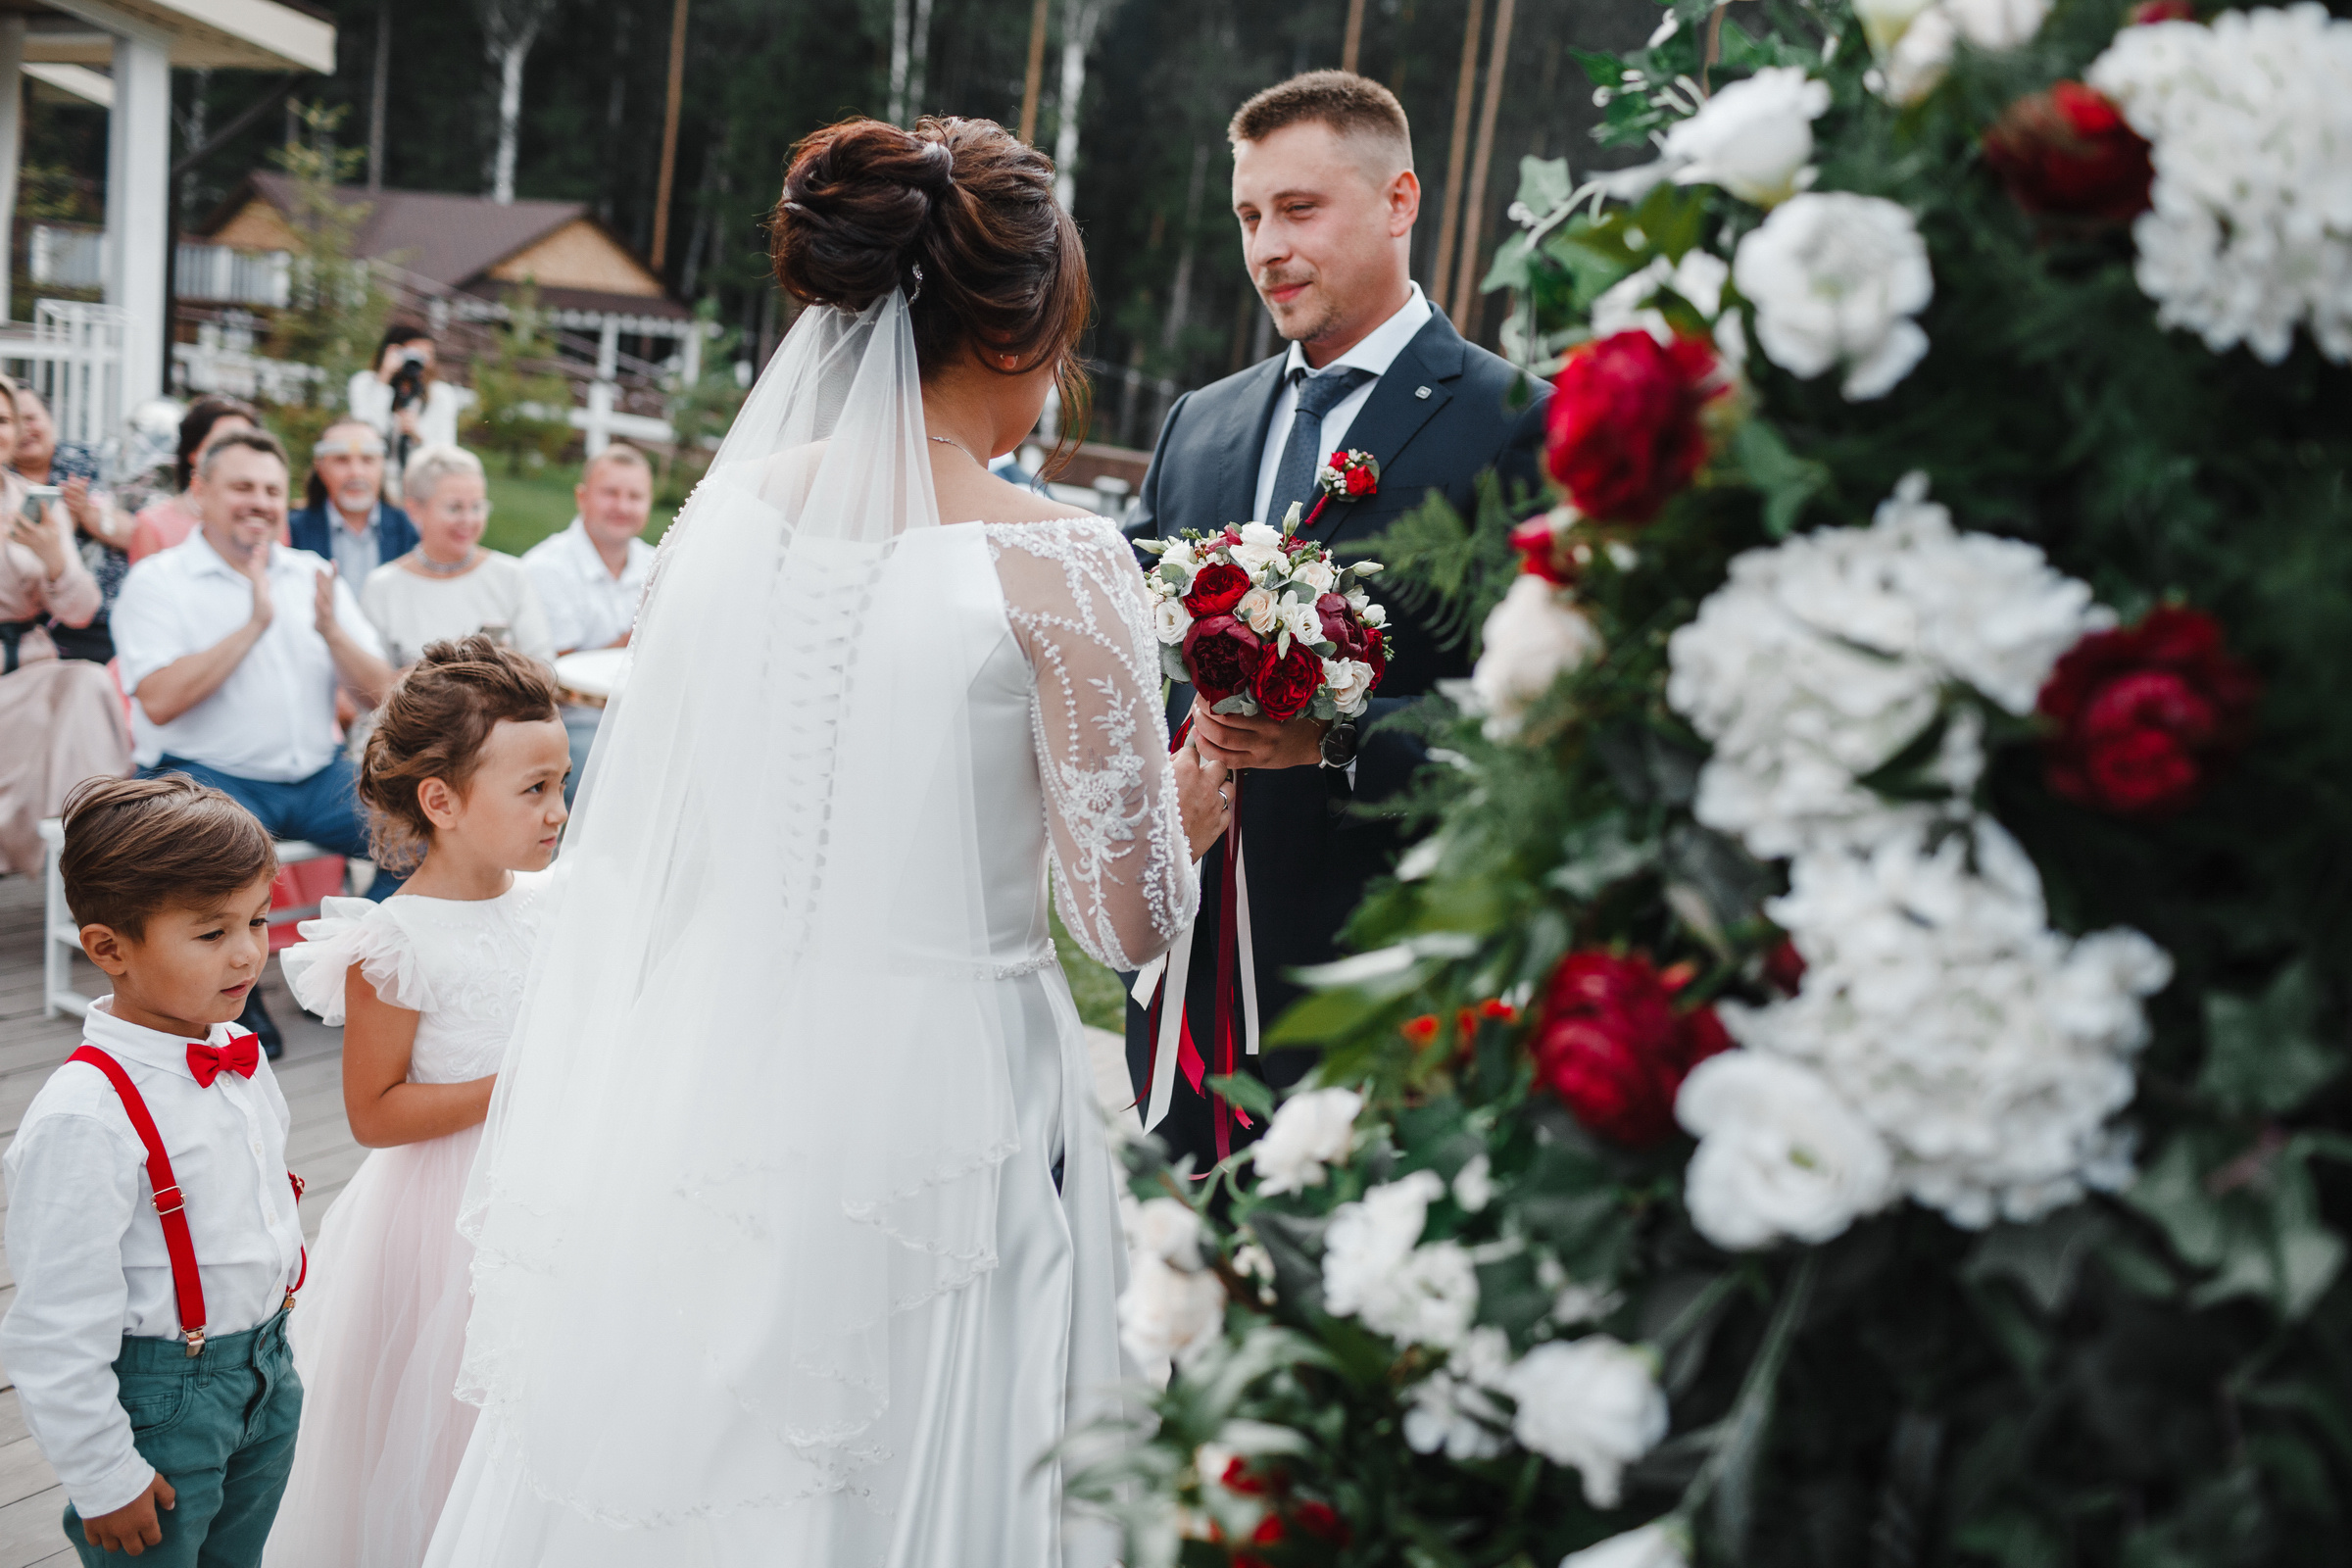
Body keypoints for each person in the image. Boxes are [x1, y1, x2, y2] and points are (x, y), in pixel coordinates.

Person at [422, 116, 1201, 1566]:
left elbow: (686, 819)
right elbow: (1125, 924)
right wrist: (1194, 793)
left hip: (714, 1066)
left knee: (699, 1446)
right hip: (950, 1101)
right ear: (1030, 324)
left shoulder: (714, 526)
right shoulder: (1060, 560)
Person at [1121, 72, 1548, 1172]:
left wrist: (1341, 739)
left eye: (1299, 209)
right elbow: (1117, 638)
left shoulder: (1515, 428)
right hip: (1190, 970)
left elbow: (1543, 723)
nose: (1267, 248)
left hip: (1386, 984)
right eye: (1250, 217)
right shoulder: (1198, 425)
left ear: (1400, 200)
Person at [264, 638, 568, 1568]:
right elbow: (375, 1113)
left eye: (563, 785)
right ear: (440, 801)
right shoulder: (396, 942)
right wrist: (514, 1084)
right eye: (533, 791)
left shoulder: (554, 900)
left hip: (547, 1191)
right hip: (442, 1219)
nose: (558, 812)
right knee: (444, 1419)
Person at [0, 776, 307, 1567]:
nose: (247, 951)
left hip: (267, 1371)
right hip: (162, 1405)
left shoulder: (232, 1052)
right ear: (109, 948)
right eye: (211, 934)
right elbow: (53, 1327)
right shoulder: (86, 1116)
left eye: (258, 920)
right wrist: (102, 1475)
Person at [110, 428, 399, 1053]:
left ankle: (348, 968)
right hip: (202, 776)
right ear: (200, 491)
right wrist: (254, 625)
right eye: (242, 486)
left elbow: (383, 693)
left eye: (271, 490)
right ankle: (233, 1004)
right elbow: (158, 697)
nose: (260, 502)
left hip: (316, 776)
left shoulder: (312, 575)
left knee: (426, 829)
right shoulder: (160, 580)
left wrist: (330, 632)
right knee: (210, 859)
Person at [0, 408, 132, 875]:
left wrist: (55, 559)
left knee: (88, 683)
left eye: (2, 418)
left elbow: (80, 610)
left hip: (27, 669)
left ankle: (97, 858)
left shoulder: (36, 503)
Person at [521, 443, 656, 796]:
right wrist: (645, 633)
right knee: (623, 776)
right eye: (610, 493)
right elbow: (563, 676)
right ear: (582, 497)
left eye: (635, 496)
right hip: (572, 725)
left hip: (646, 717)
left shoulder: (656, 562)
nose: (622, 506)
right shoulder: (545, 569)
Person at [361, 445, 554, 669]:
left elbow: (544, 668)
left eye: (477, 507)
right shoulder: (382, 587)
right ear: (415, 510)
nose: (468, 520)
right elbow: (373, 688)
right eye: (454, 508)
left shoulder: (511, 575)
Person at [13, 383, 133, 663]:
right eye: (9, 422)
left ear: (50, 417)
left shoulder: (93, 463)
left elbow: (140, 533)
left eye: (30, 418)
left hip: (108, 616)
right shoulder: (5, 485)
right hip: (29, 627)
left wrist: (88, 515)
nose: (23, 430)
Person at [128, 398, 277, 564]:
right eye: (224, 445)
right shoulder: (153, 526)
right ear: (193, 453)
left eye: (247, 446)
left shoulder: (266, 517)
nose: (239, 456)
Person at [287, 419, 419, 594]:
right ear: (320, 468)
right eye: (342, 460)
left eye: (367, 460)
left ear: (382, 465)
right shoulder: (292, 530)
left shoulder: (409, 528)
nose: (356, 472)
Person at [347, 327, 467, 499]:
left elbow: (446, 450)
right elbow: (364, 435)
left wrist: (418, 434)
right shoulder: (365, 384)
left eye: (427, 354)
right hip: (374, 483)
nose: (421, 361)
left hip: (421, 486)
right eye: (414, 353)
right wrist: (384, 378)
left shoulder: (441, 395)